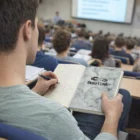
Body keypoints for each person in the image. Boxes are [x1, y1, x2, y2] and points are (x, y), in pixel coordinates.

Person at [0, 1, 131, 140]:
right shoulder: (55, 117)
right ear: (27, 30)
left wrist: (34, 92)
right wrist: (112, 118)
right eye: (36, 26)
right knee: (122, 96)